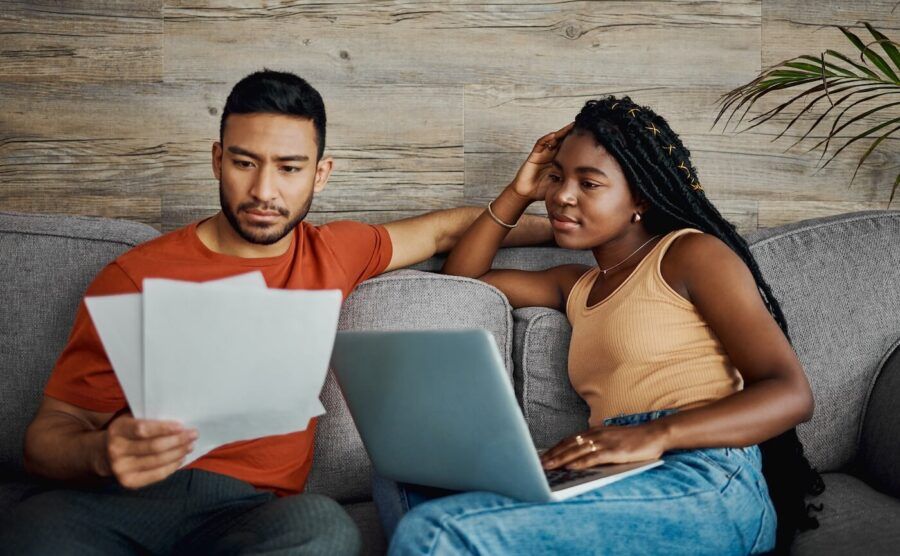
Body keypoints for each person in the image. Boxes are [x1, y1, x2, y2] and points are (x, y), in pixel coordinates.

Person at [0, 70, 551, 555]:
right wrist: (100, 453)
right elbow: (47, 438)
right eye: (245, 163)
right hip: (130, 502)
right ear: (218, 160)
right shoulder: (133, 276)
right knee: (35, 526)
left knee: (326, 527)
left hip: (253, 513)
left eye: (289, 168)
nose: (264, 190)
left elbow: (445, 229)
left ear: (321, 173)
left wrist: (578, 223)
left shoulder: (334, 251)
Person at [381, 96, 824, 555]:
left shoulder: (691, 255)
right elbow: (462, 282)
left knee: (435, 532)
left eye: (588, 183)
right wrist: (518, 191)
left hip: (705, 474)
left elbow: (790, 392)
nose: (561, 196)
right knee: (406, 482)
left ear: (641, 198)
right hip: (611, 466)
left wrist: (653, 434)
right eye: (556, 178)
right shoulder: (575, 285)